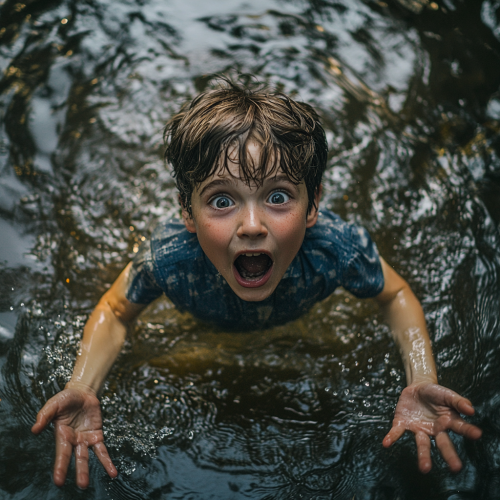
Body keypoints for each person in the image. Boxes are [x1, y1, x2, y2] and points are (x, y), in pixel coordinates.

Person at [32, 78, 482, 489]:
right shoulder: (170, 260)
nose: (251, 224)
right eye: (221, 200)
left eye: (278, 196)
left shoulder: (334, 250)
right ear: (187, 213)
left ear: (313, 205)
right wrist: (83, 385)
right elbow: (115, 310)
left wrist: (420, 375)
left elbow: (396, 295)